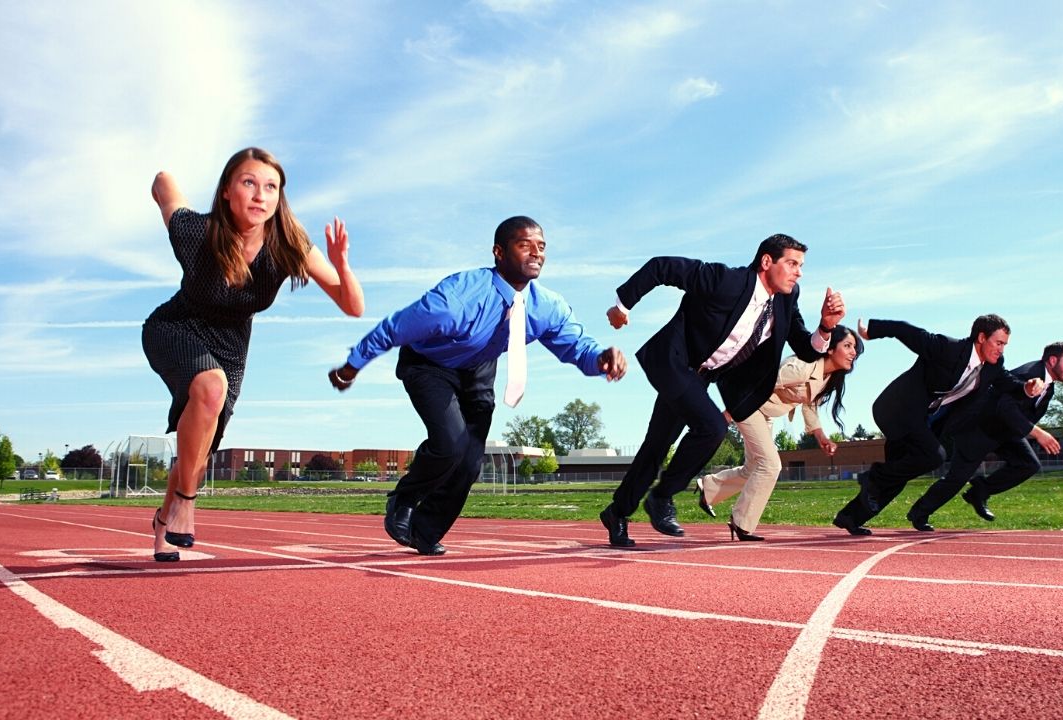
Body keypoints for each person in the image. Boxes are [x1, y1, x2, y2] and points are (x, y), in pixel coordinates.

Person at [328, 216, 627, 556]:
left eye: (541, 246)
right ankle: (404, 499)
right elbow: (394, 328)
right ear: (499, 252)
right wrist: (351, 367)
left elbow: (576, 346)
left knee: (470, 461)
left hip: (479, 369)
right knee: (450, 443)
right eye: (524, 245)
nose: (536, 253)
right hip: (429, 364)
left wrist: (600, 358)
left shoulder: (547, 306)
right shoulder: (456, 300)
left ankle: (425, 530)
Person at [144, 147, 364, 562]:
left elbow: (353, 305)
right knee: (210, 388)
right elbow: (163, 185)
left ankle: (163, 521)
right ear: (227, 190)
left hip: (230, 346)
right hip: (175, 327)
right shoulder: (197, 232)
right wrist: (166, 177)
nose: (260, 195)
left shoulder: (288, 246)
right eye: (249, 183)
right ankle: (187, 503)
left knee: (200, 453)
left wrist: (342, 264)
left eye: (271, 187)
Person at [600, 234, 845, 548]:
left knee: (657, 446)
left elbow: (804, 347)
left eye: (801, 266)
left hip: (702, 377)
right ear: (767, 262)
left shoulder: (786, 298)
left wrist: (826, 326)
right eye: (792, 263)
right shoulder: (724, 280)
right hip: (674, 362)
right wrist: (622, 306)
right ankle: (661, 497)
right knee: (713, 427)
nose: (799, 272)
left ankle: (617, 512)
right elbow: (662, 267)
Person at [832, 314, 1043, 535]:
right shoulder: (948, 348)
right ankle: (872, 477)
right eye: (998, 343)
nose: (1001, 349)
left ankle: (851, 516)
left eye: (1005, 345)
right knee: (933, 456)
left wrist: (1026, 388)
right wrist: (871, 331)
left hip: (923, 419)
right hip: (898, 409)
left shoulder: (993, 365)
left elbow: (1006, 381)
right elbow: (905, 330)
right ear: (982, 337)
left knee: (900, 470)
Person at [696, 324, 864, 540]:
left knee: (753, 468)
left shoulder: (828, 376)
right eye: (848, 346)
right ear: (830, 348)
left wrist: (820, 436)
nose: (853, 352)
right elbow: (762, 381)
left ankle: (708, 488)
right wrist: (730, 412)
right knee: (770, 464)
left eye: (855, 348)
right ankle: (741, 522)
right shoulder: (802, 367)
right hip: (748, 406)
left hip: (765, 411)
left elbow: (810, 404)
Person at [907, 341, 1063, 529]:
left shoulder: (1049, 387)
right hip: (978, 428)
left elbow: (1025, 414)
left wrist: (1027, 430)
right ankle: (919, 513)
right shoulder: (1028, 374)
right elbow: (1005, 408)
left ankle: (979, 491)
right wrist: (1037, 433)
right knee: (957, 478)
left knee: (1028, 464)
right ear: (1053, 360)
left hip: (1006, 431)